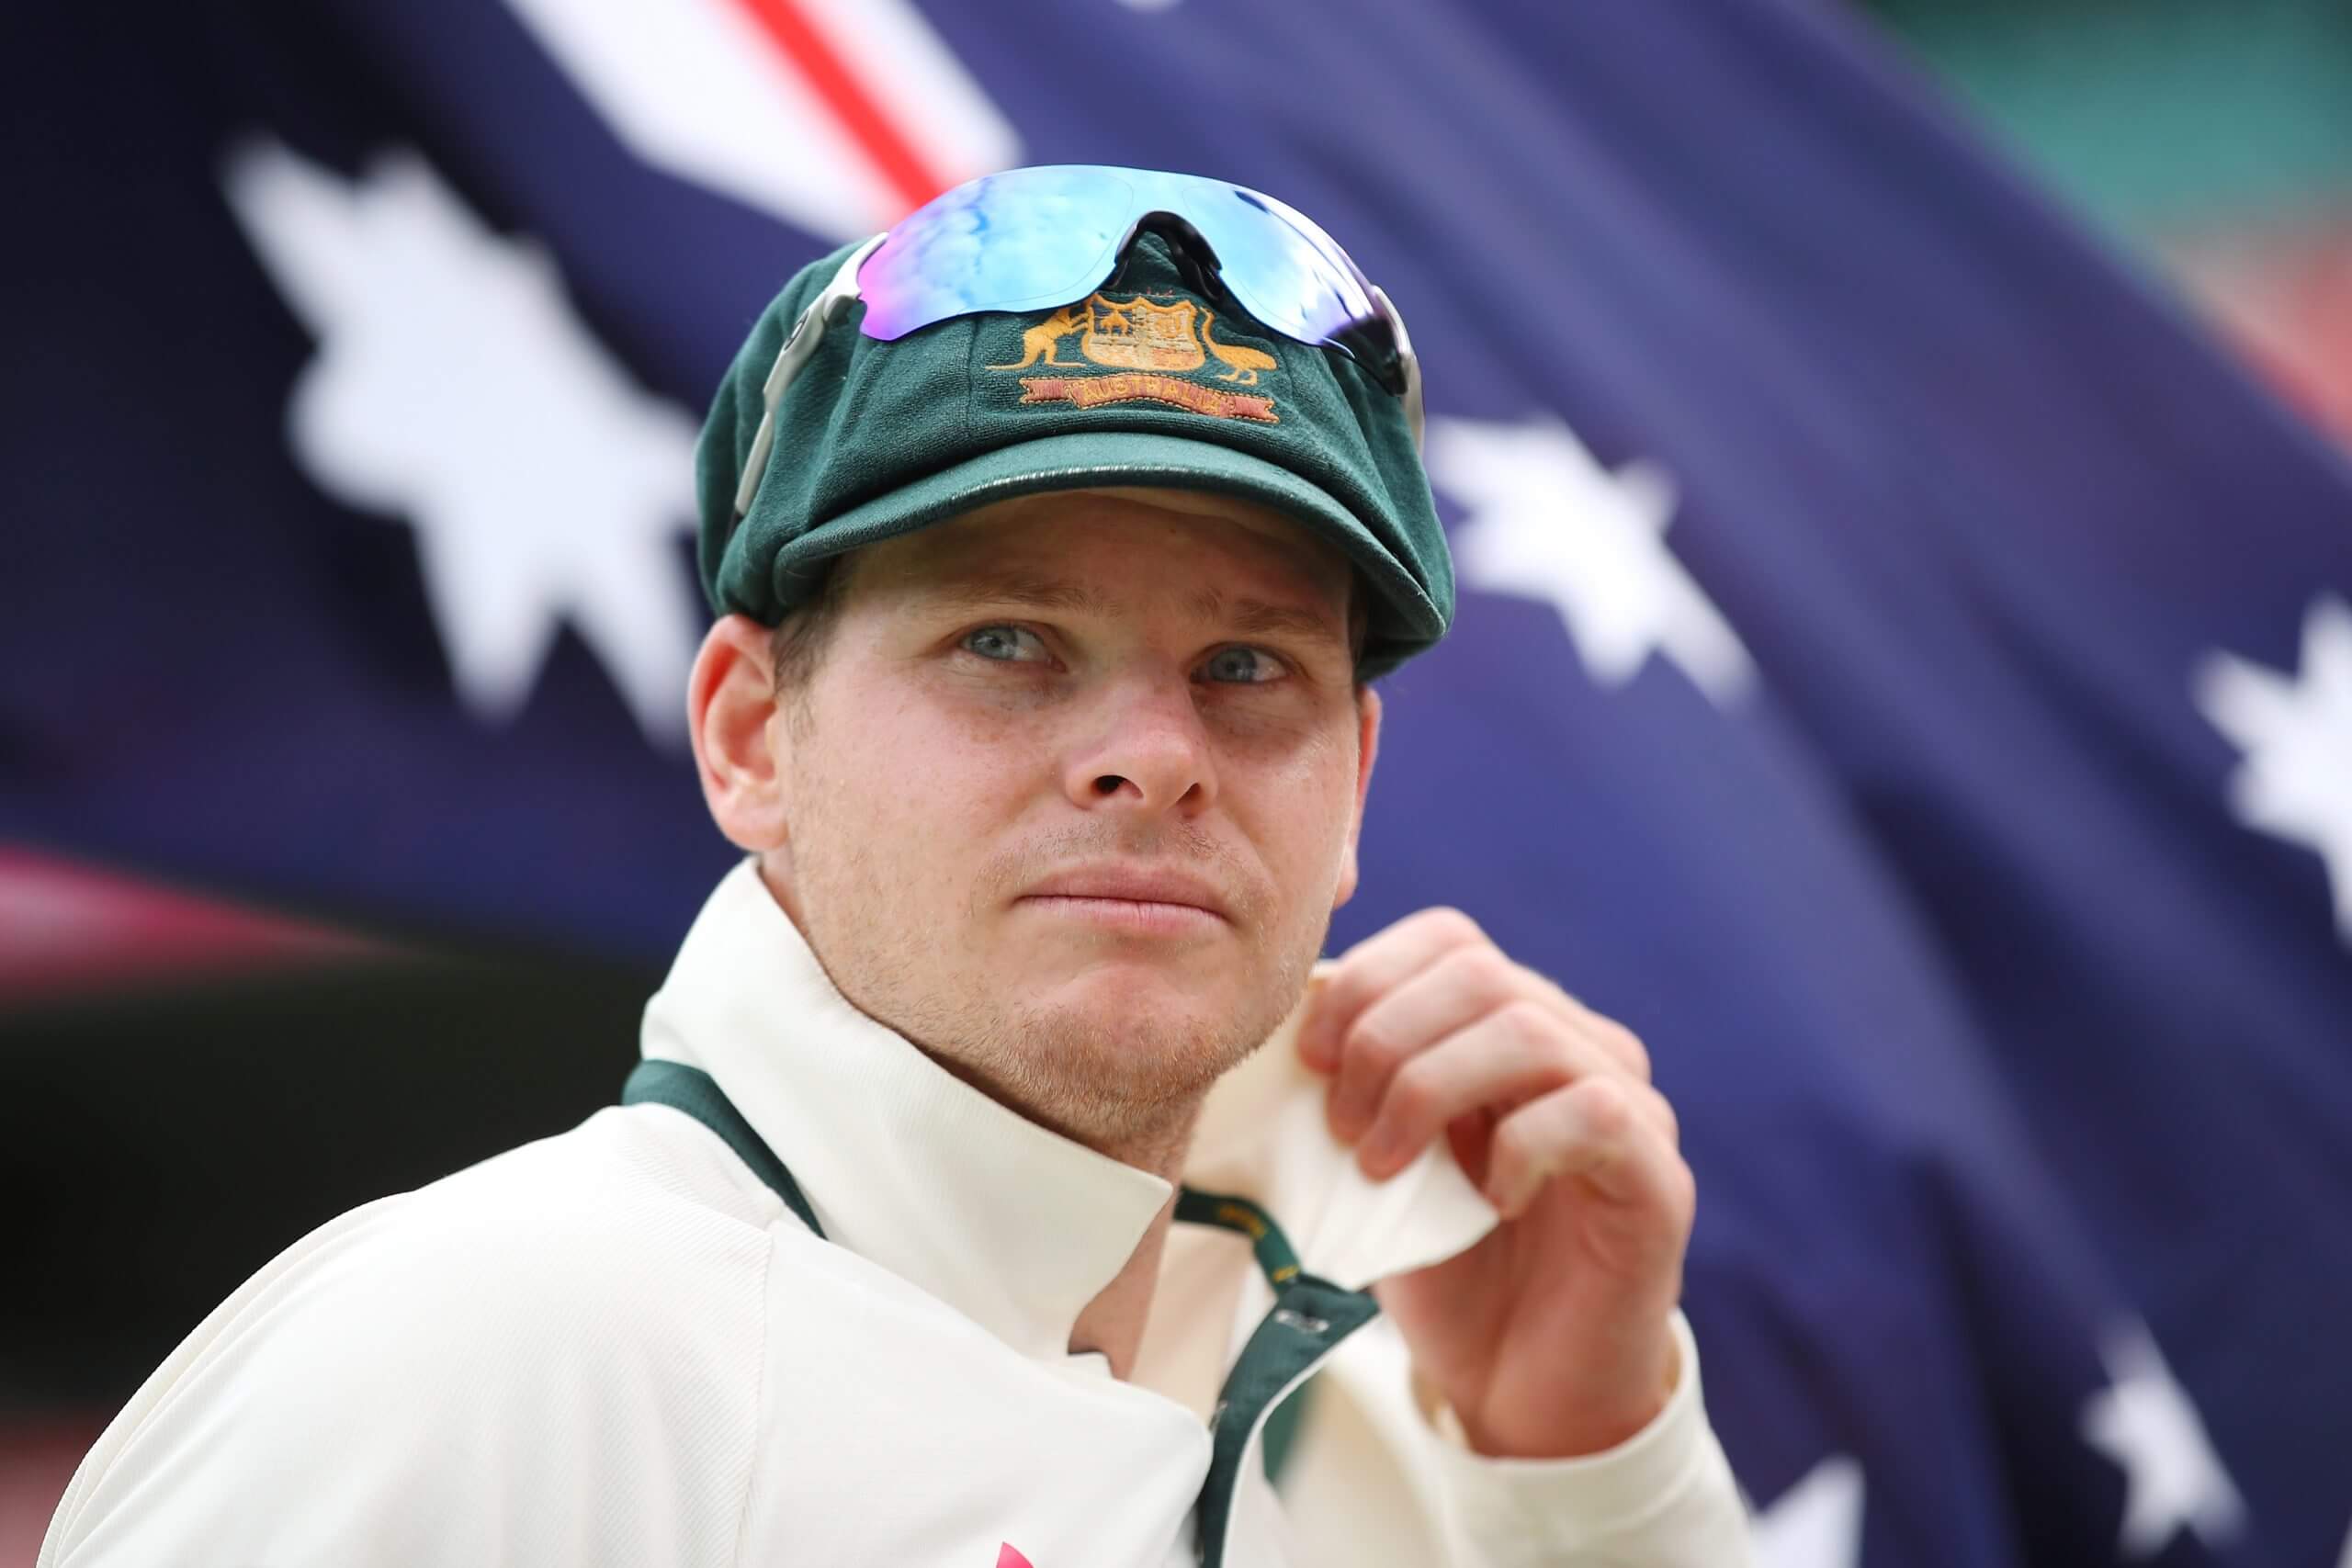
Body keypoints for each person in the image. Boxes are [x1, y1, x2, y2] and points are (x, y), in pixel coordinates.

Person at [42, 166, 1751, 1566]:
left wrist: (1592, 1476)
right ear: (749, 735)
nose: (1154, 754)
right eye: (1008, 640)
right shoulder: (488, 1355)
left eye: (1248, 669)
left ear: (1356, 785)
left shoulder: (1379, 1440)